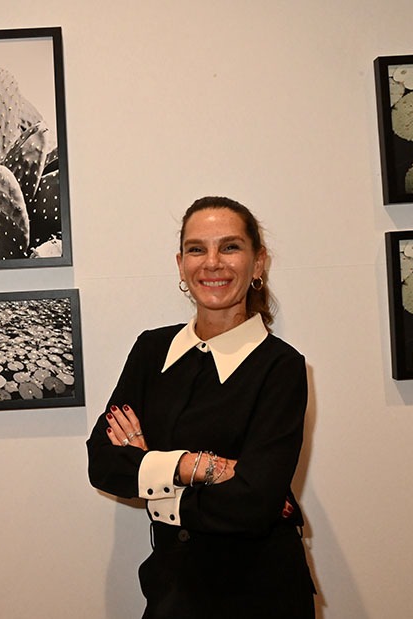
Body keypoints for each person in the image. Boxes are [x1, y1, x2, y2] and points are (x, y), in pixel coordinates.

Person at [86, 196, 316, 618]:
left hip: (261, 593)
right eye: (197, 249)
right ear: (180, 264)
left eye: (229, 247)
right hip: (171, 589)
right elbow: (102, 464)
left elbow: (253, 505)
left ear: (258, 263)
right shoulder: (150, 350)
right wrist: (198, 466)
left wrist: (150, 470)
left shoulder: (281, 367)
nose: (212, 263)